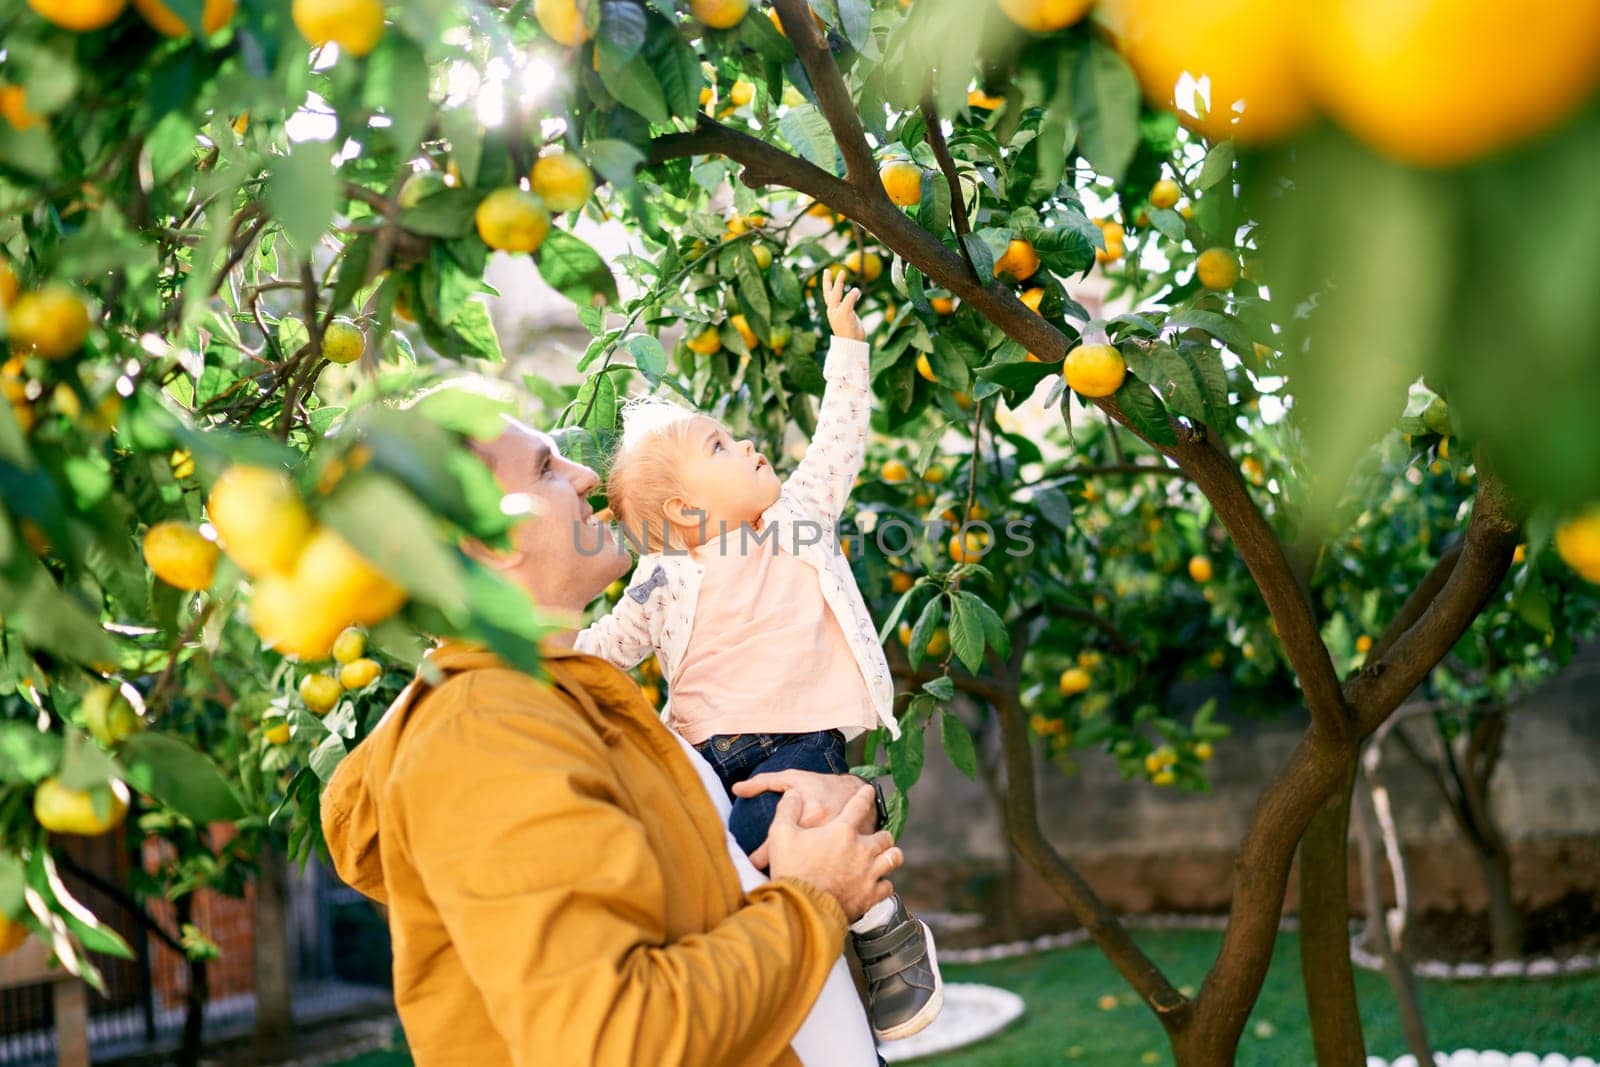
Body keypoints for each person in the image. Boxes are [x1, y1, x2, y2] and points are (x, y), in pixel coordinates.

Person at [320, 410, 896, 1066]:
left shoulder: (567, 706)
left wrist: (827, 815)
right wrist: (816, 898)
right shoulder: (483, 735)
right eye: (545, 467)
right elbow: (617, 1042)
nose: (588, 474)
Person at [574, 271, 942, 1041]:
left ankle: (888, 937)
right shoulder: (662, 579)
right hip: (712, 760)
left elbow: (839, 440)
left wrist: (849, 348)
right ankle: (780, 997)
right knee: (741, 872)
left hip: (805, 738)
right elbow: (600, 652)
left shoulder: (798, 518)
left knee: (817, 827)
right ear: (683, 509)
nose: (744, 442)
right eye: (719, 444)